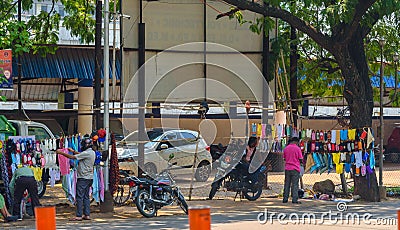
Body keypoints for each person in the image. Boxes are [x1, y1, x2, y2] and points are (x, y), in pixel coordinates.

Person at [55, 135, 95, 221]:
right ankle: (87, 214)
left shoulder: (86, 153)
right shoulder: (92, 152)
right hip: (89, 178)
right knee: (86, 197)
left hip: (83, 178)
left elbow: (73, 157)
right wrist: (73, 151)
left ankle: (79, 215)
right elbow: (81, 155)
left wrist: (61, 153)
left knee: (79, 197)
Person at [282, 137, 303, 204]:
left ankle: (285, 198)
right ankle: (294, 199)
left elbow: (284, 158)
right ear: (296, 142)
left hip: (287, 168)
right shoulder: (297, 149)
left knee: (287, 184)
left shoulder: (286, 148)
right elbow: (300, 159)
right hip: (295, 168)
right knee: (295, 184)